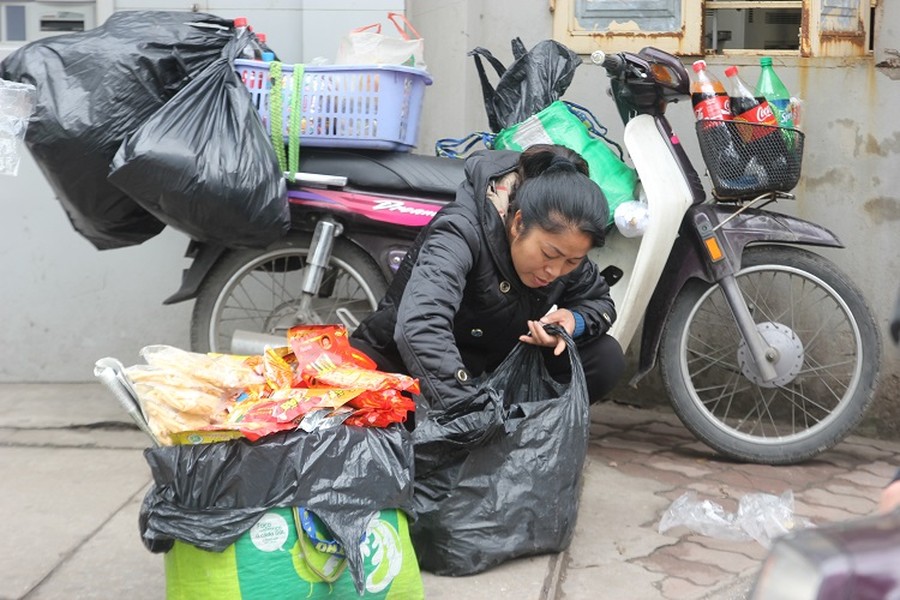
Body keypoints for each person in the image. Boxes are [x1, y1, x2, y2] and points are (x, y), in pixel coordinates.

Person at [350, 144, 625, 414]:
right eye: (548, 254)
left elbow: (598, 301)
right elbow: (422, 325)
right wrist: (466, 410)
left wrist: (573, 321)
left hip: (492, 370)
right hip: (406, 367)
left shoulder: (565, 250)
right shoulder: (461, 231)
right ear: (519, 223)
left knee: (605, 357)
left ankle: (517, 433)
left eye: (572, 261)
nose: (555, 270)